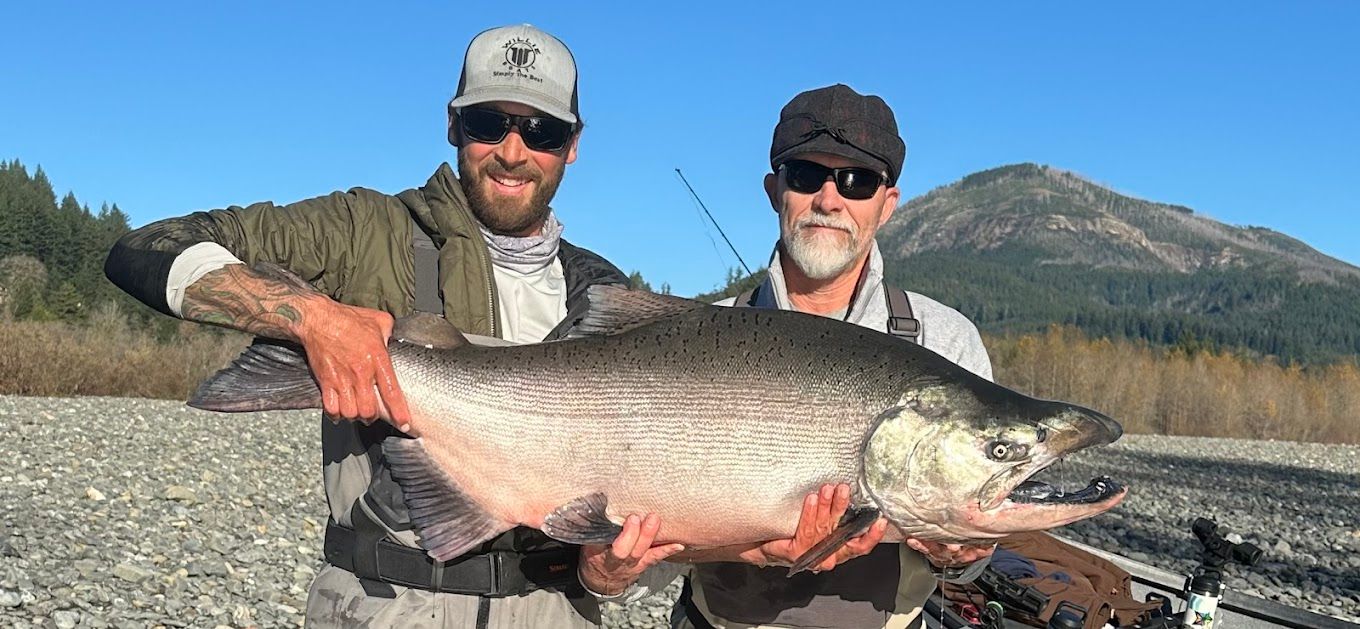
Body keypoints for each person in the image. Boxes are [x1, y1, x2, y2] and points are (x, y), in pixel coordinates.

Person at [104, 23, 683, 628]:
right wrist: (312, 318)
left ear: (572, 144)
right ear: (453, 125)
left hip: (558, 608)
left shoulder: (604, 293)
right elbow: (145, 248)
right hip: (386, 605)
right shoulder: (364, 233)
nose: (513, 152)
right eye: (489, 123)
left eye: (541, 130)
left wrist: (606, 576)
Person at [670, 84, 998, 629]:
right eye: (806, 175)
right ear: (775, 190)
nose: (829, 198)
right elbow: (652, 546)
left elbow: (970, 565)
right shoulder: (697, 337)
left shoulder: (948, 341)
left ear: (887, 204)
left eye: (858, 180)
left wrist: (960, 554)